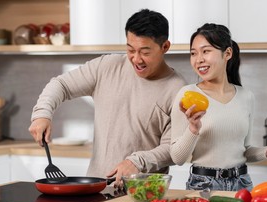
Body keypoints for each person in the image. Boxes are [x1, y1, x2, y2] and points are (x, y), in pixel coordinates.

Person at [28, 9, 186, 185]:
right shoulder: (107, 67)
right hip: (95, 187)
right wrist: (42, 114)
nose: (136, 59)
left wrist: (137, 161)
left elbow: (173, 149)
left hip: (143, 192)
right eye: (130, 50)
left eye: (145, 52)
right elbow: (61, 85)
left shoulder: (178, 89)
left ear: (165, 47)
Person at [170, 23, 267, 192]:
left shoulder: (246, 96)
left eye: (206, 51)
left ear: (227, 53)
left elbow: (245, 151)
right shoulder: (188, 95)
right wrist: (193, 128)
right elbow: (177, 158)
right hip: (204, 185)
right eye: (193, 53)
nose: (198, 59)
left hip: (242, 184)